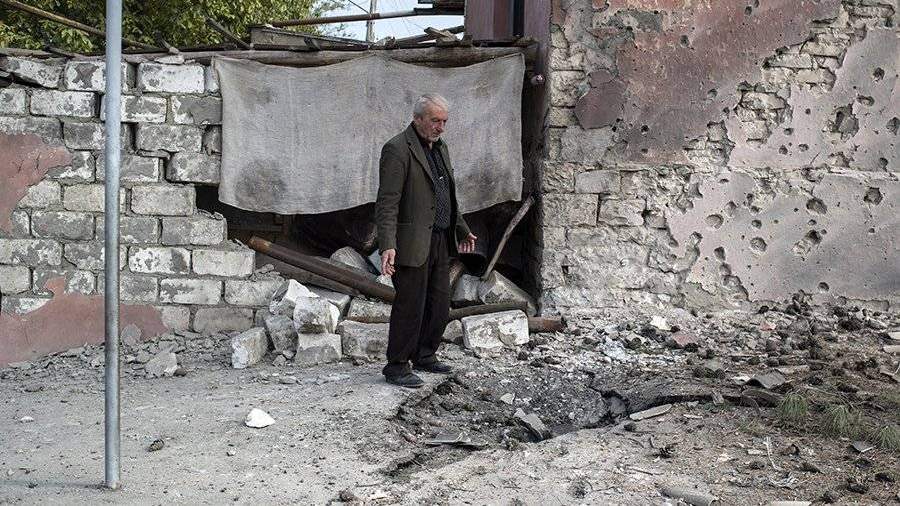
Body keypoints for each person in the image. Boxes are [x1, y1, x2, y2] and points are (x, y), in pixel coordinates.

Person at [374, 93, 477, 388]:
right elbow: (387, 202)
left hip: (440, 238)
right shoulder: (397, 149)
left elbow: (445, 195)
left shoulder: (441, 148)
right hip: (411, 242)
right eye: (435, 121)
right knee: (411, 305)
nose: (440, 127)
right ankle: (396, 366)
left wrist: (461, 228)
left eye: (444, 121)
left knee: (439, 303)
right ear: (417, 119)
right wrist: (387, 244)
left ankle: (425, 354)